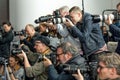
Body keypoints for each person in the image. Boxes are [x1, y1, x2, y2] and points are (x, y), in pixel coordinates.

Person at [64, 6, 108, 80]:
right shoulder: (78, 21)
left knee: (95, 76)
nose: (71, 19)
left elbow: (84, 37)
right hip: (90, 52)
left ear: (79, 14)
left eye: (72, 17)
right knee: (90, 74)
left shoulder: (89, 19)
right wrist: (70, 26)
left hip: (98, 51)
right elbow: (75, 35)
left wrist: (72, 26)